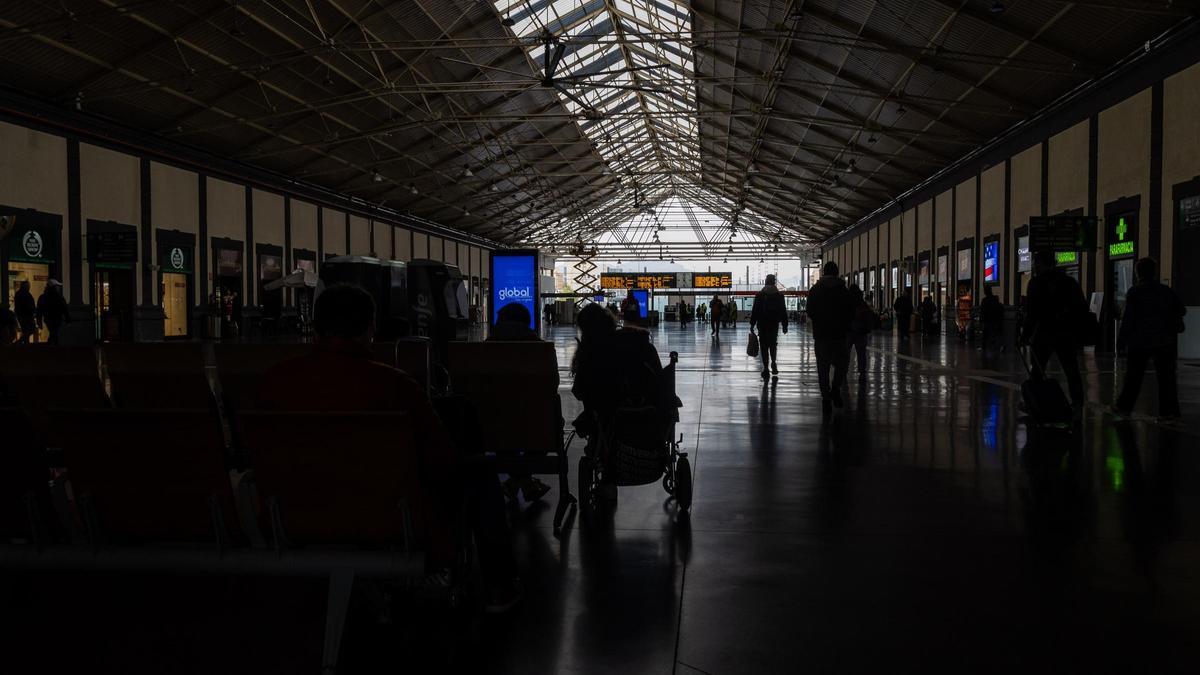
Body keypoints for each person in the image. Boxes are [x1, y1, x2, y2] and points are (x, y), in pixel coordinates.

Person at [258, 283, 521, 611]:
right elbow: (443, 460)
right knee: (480, 471)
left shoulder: (274, 382)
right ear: (370, 330)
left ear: (316, 327)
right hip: (389, 519)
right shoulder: (395, 385)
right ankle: (499, 584)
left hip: (291, 516)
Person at [487, 302, 553, 501]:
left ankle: (516, 481)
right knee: (548, 419)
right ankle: (523, 480)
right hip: (536, 427)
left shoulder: (485, 349)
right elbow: (551, 385)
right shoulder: (540, 349)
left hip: (491, 426)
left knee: (500, 420)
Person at [1114, 257, 1185, 420]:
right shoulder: (1165, 291)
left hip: (1139, 342)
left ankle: (1124, 407)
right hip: (1164, 341)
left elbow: (1128, 319)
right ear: (1154, 272)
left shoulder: (1135, 292)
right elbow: (1181, 310)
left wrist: (1121, 341)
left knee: (1133, 377)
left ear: (1138, 273)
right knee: (1167, 379)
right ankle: (1169, 412)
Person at [1020, 250, 1088, 408]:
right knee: (1072, 371)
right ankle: (1078, 406)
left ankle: (1035, 403)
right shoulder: (1069, 282)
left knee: (1037, 370)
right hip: (1066, 333)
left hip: (1043, 333)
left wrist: (1025, 335)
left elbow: (1032, 313)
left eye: (1036, 263)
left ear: (1042, 264)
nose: (1034, 266)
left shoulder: (1036, 283)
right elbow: (1081, 307)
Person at [806, 262, 854, 415]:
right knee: (842, 364)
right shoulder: (843, 290)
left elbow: (810, 311)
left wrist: (820, 322)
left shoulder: (815, 290)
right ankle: (836, 388)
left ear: (823, 273)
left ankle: (826, 398)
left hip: (821, 336)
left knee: (823, 367)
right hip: (839, 335)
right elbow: (849, 311)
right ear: (837, 272)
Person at [750, 274, 788, 379]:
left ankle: (766, 368)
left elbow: (755, 311)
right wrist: (785, 325)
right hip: (774, 324)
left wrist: (752, 323)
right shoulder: (779, 296)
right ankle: (774, 362)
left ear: (766, 282)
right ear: (774, 282)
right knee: (773, 344)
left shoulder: (760, 295)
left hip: (762, 324)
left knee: (764, 346)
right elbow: (783, 311)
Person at [847, 284, 873, 377]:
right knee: (861, 353)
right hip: (861, 332)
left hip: (849, 331)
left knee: (846, 353)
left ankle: (843, 371)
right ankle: (862, 371)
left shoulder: (847, 302)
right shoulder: (863, 303)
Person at [35, 279, 69, 345]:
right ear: (55, 287)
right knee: (54, 333)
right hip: (57, 319)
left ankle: (51, 345)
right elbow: (65, 308)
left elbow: (39, 310)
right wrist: (68, 320)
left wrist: (39, 321)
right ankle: (53, 346)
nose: (59, 288)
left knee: (53, 332)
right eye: (57, 286)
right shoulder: (59, 297)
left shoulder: (43, 297)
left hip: (48, 319)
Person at [980, 286, 1004, 353]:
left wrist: (981, 320)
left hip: (987, 321)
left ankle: (984, 348)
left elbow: (983, 311)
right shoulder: (995, 299)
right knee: (995, 334)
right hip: (995, 321)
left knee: (985, 335)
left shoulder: (984, 300)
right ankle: (997, 347)